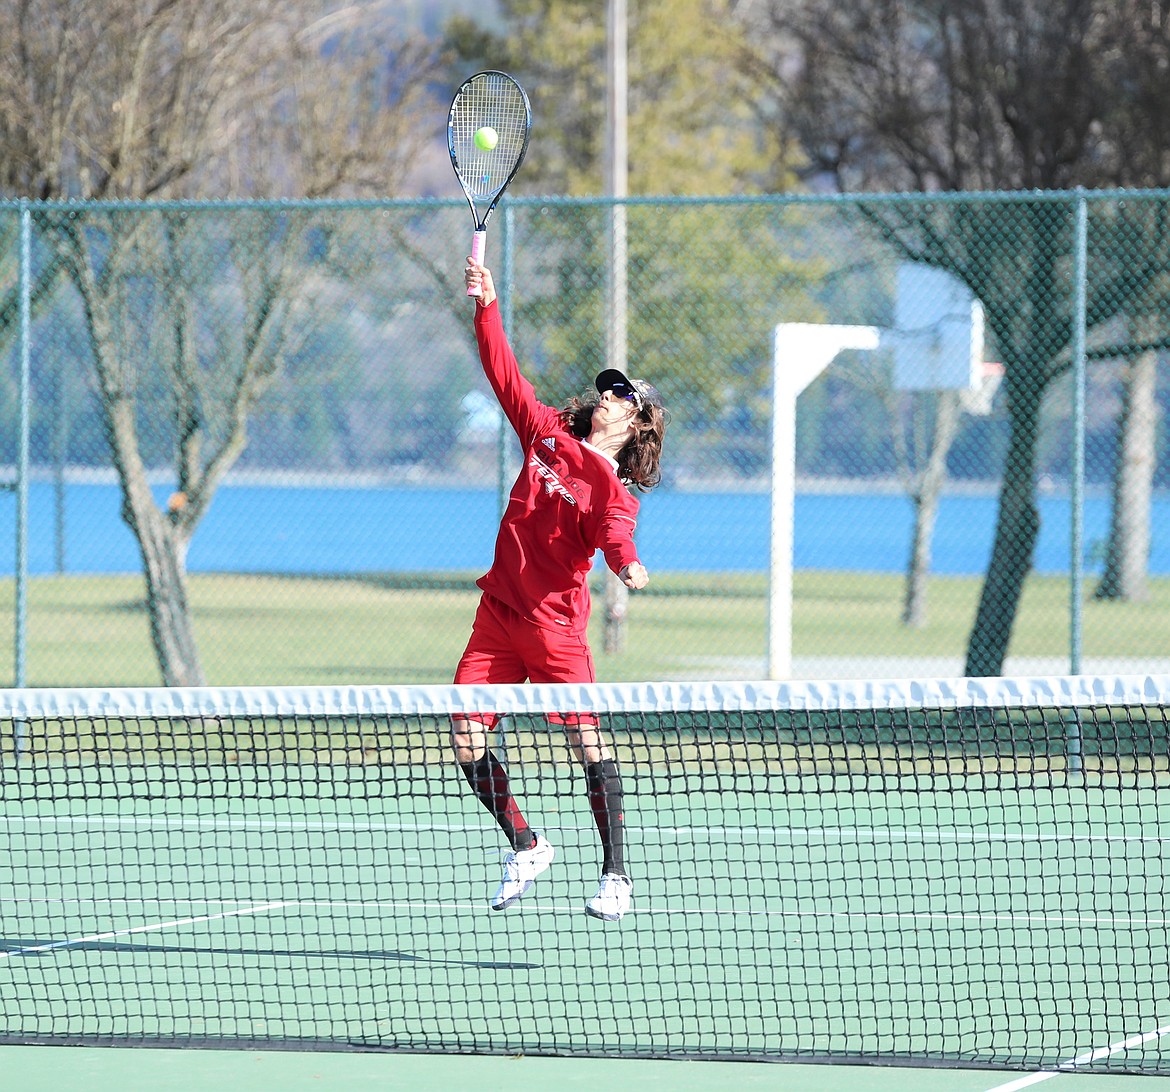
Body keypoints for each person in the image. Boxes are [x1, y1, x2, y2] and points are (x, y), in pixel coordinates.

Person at [452, 256, 667, 923]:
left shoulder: (613, 488)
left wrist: (627, 566)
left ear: (634, 424)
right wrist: (487, 305)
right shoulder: (544, 433)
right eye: (607, 389)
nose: (607, 396)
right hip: (498, 615)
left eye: (622, 396)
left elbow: (616, 532)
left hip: (554, 627)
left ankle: (616, 875)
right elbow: (503, 374)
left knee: (586, 743)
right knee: (464, 735)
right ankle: (526, 844)